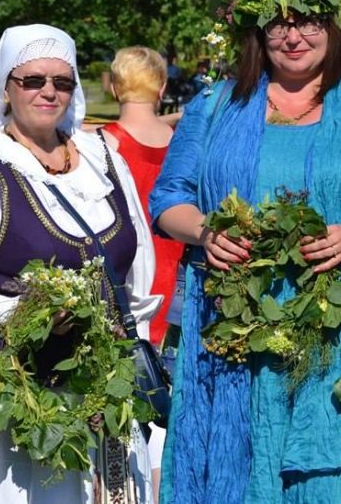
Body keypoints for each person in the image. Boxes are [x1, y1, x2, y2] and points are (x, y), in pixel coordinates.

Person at [151, 0, 341, 503]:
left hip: (338, 334)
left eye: (308, 22)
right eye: (279, 24)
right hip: (228, 333)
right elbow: (167, 199)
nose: (293, 36)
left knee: (332, 482)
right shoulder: (214, 106)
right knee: (232, 468)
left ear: (334, 27)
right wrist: (206, 232)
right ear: (258, 32)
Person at [0, 24, 160, 504]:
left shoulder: (105, 161)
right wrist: (29, 312)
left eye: (62, 81)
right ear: (6, 88)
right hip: (18, 396)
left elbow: (137, 278)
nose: (49, 91)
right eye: (32, 80)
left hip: (104, 390)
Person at [100, 46, 187, 502]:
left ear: (113, 86)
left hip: (131, 278)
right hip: (178, 275)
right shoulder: (184, 143)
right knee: (168, 391)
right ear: (164, 86)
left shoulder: (101, 144)